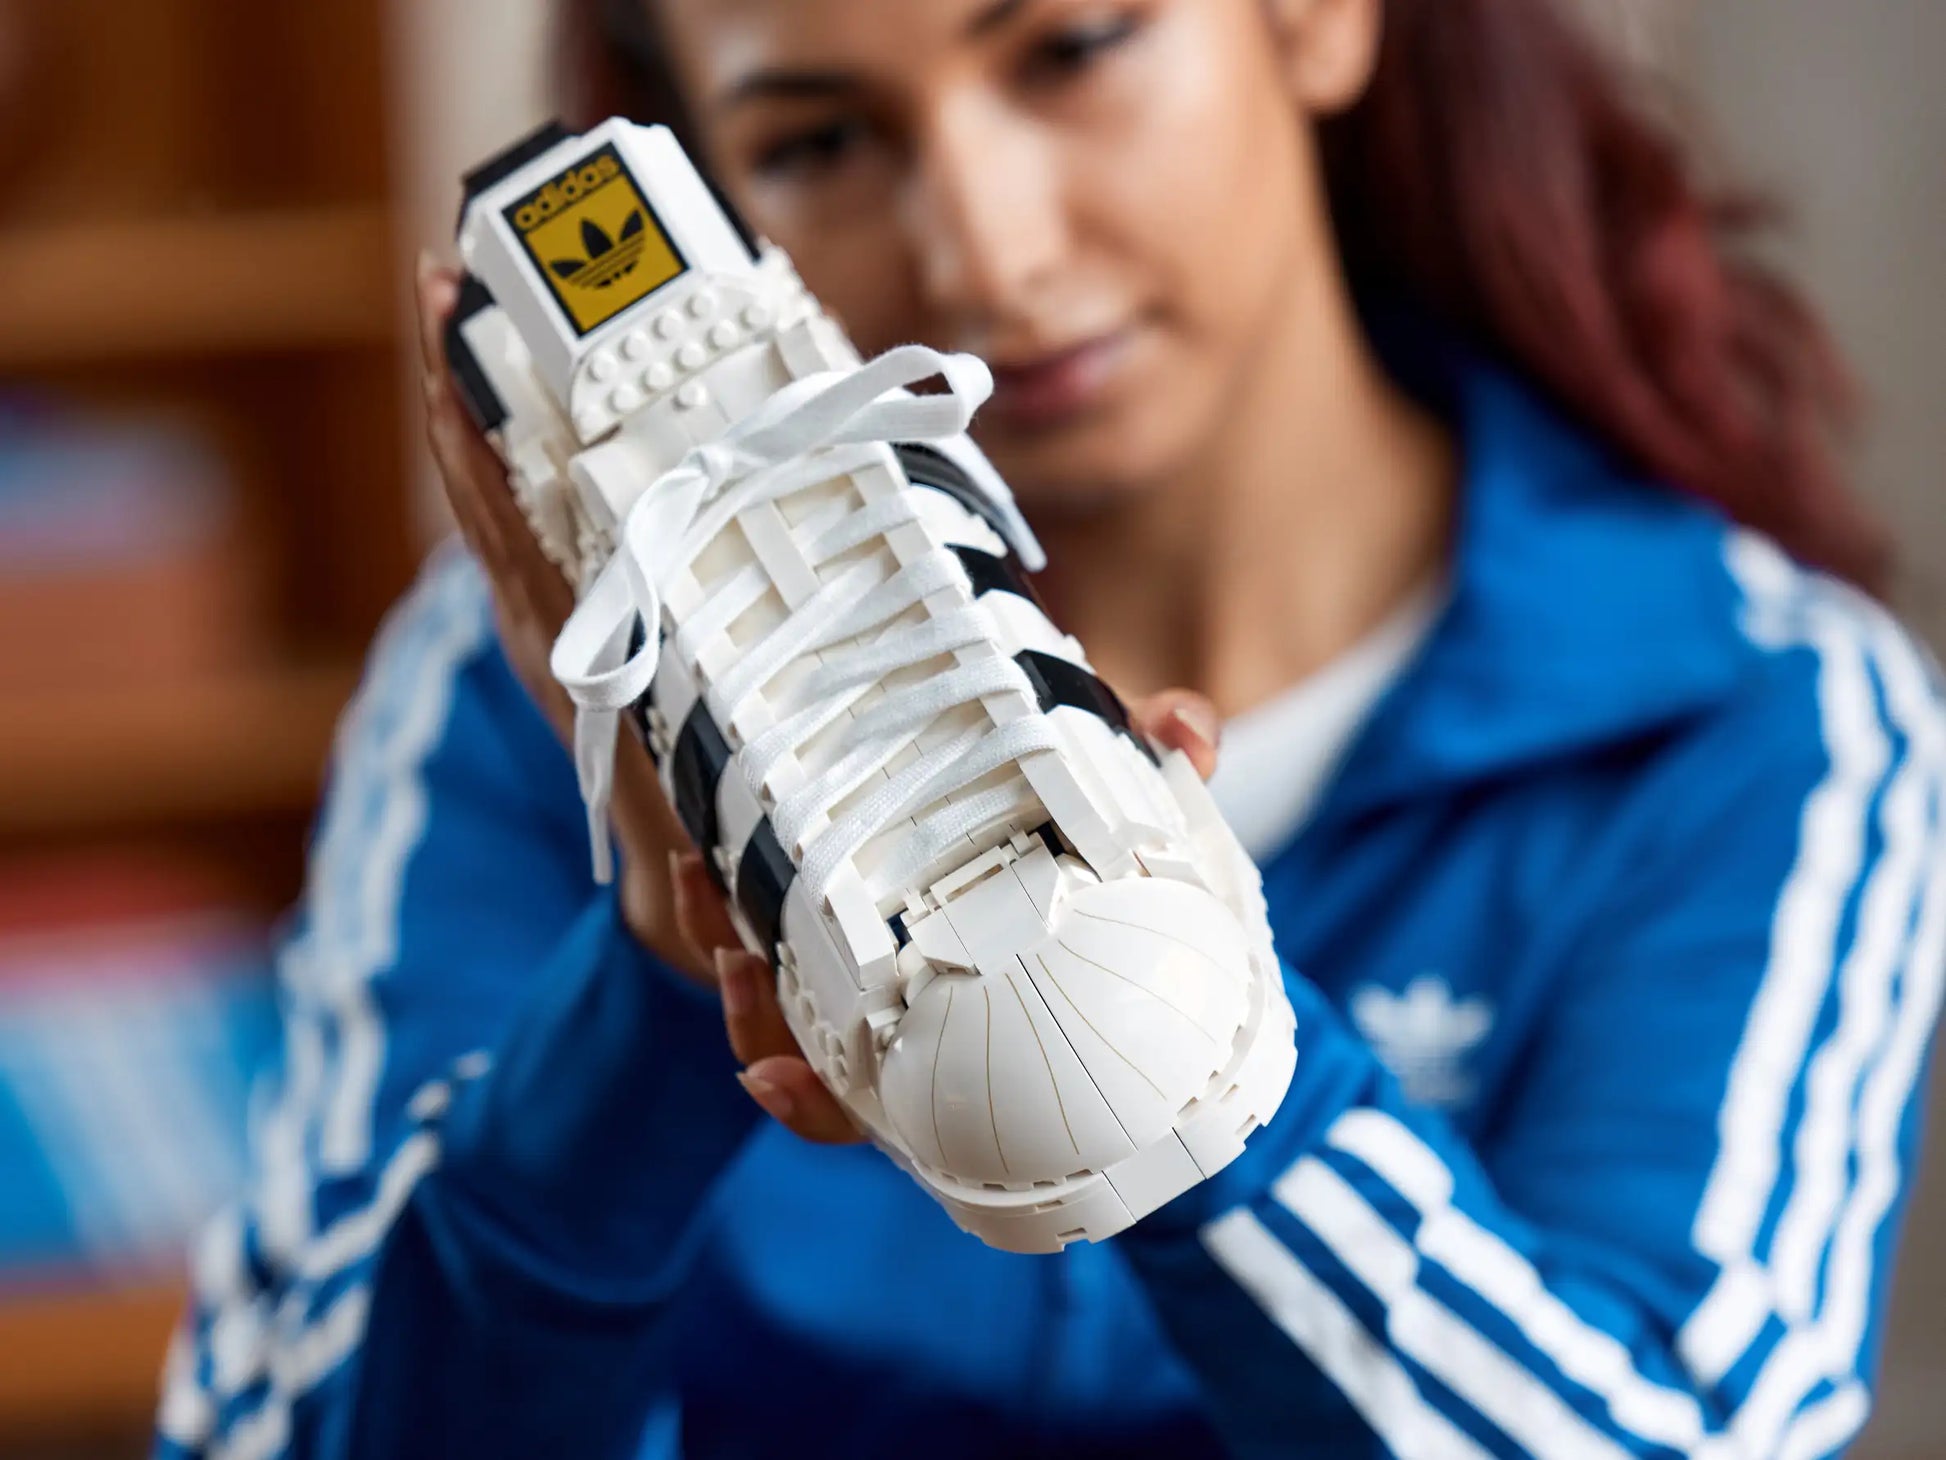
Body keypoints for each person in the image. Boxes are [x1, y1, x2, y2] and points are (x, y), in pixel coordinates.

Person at [157, 0, 1945, 1456]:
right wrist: (647, 979)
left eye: (1075, 47)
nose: (987, 252)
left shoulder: (1753, 714)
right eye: (818, 141)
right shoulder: (535, 692)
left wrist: (1179, 1074)